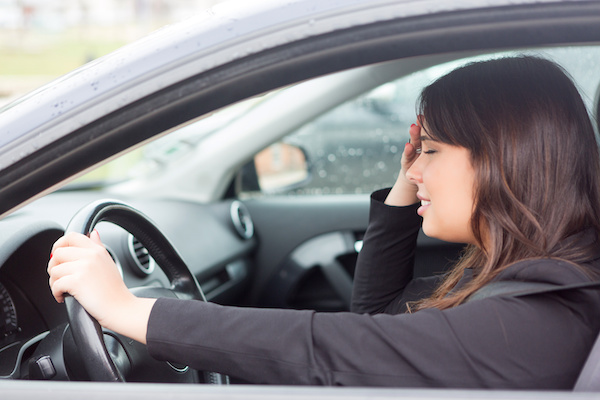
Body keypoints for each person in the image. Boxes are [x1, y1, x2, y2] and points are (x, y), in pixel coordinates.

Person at [48, 55, 600, 388]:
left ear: (500, 160)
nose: (416, 169)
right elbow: (379, 319)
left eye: (429, 151)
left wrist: (128, 310)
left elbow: (333, 349)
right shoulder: (539, 273)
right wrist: (409, 177)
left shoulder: (533, 318)